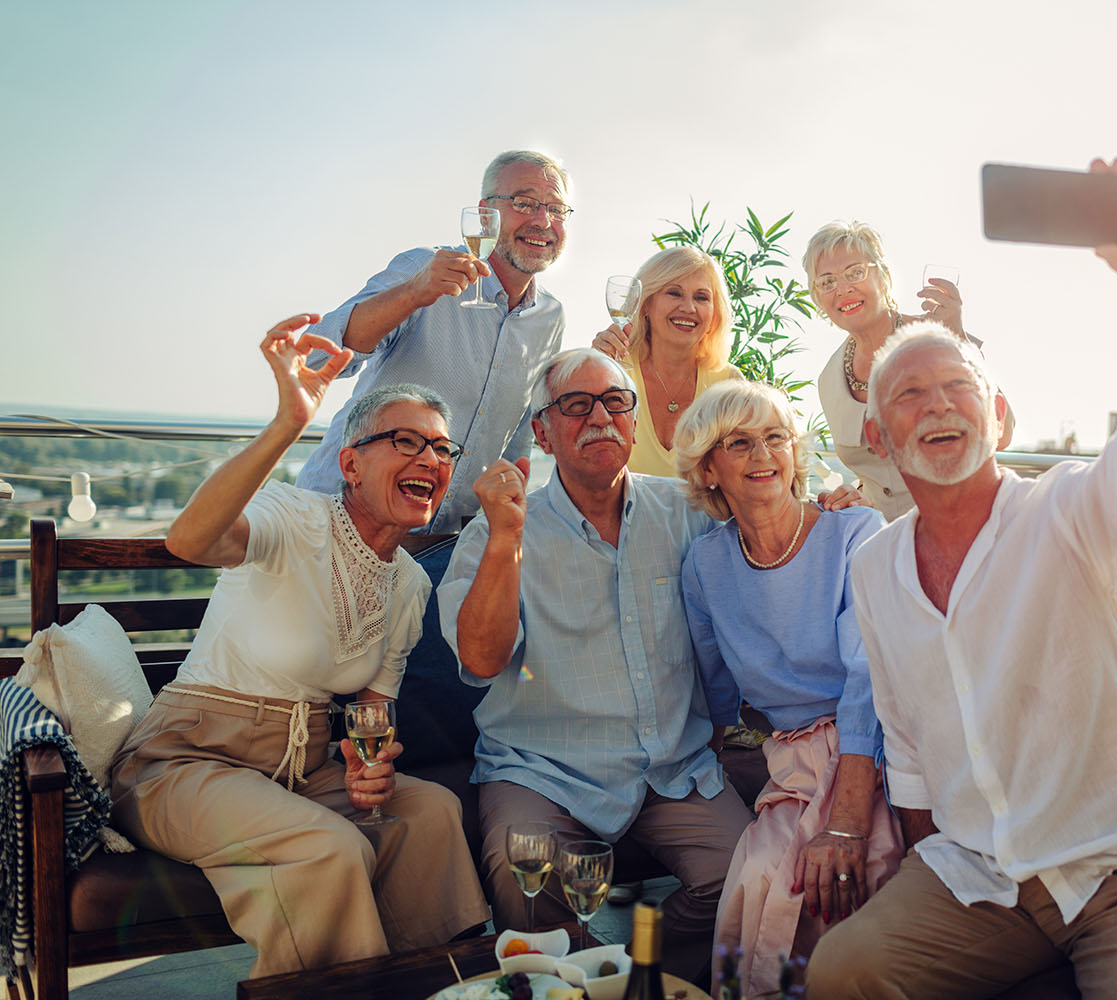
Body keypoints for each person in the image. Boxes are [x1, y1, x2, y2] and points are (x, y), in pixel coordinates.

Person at [804, 160, 1117, 999]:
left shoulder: (1070, 515)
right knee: (841, 972)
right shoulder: (875, 567)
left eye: (959, 386)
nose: (937, 404)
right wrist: (924, 876)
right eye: (909, 394)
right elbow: (911, 753)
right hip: (979, 882)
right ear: (878, 437)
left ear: (997, 415)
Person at [111, 315, 490, 979]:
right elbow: (190, 542)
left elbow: (373, 714)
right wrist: (289, 421)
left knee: (430, 811)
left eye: (442, 449)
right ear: (350, 462)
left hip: (303, 771)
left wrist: (369, 764)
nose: (431, 459)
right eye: (407, 441)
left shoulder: (407, 584)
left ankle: (438, 987)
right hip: (186, 763)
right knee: (328, 847)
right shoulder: (289, 516)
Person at [436, 348, 752, 984]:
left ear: (635, 423)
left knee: (745, 882)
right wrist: (505, 539)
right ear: (543, 433)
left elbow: (774, 521)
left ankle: (631, 979)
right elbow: (480, 658)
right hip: (544, 768)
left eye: (615, 403)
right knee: (527, 880)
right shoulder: (499, 529)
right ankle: (568, 981)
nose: (600, 418)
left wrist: (829, 502)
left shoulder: (686, 512)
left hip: (671, 764)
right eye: (576, 406)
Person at [673, 380, 902, 997]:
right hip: (792, 760)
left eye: (775, 438)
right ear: (710, 468)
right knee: (759, 873)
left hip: (880, 747)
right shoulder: (705, 565)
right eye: (740, 444)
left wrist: (847, 821)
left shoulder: (856, 532)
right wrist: (725, 762)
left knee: (858, 871)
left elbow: (869, 682)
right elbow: (717, 693)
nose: (763, 456)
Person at [296, 150, 573, 534]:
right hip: (339, 521)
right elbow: (319, 357)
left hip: (443, 546)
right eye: (524, 203)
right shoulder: (423, 269)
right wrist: (413, 293)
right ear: (484, 213)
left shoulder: (550, 316)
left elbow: (517, 436)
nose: (543, 221)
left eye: (557, 209)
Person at [803, 221, 1015, 520]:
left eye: (855, 272)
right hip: (887, 542)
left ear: (883, 276)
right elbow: (878, 475)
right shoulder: (828, 379)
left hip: (963, 524)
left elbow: (1003, 433)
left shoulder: (939, 335)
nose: (843, 288)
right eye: (827, 281)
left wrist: (958, 342)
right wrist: (857, 495)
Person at [592, 246, 742, 476]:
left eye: (701, 297)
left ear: (715, 313)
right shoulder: (614, 370)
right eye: (674, 293)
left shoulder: (729, 385)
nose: (689, 308)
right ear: (645, 305)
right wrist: (590, 369)